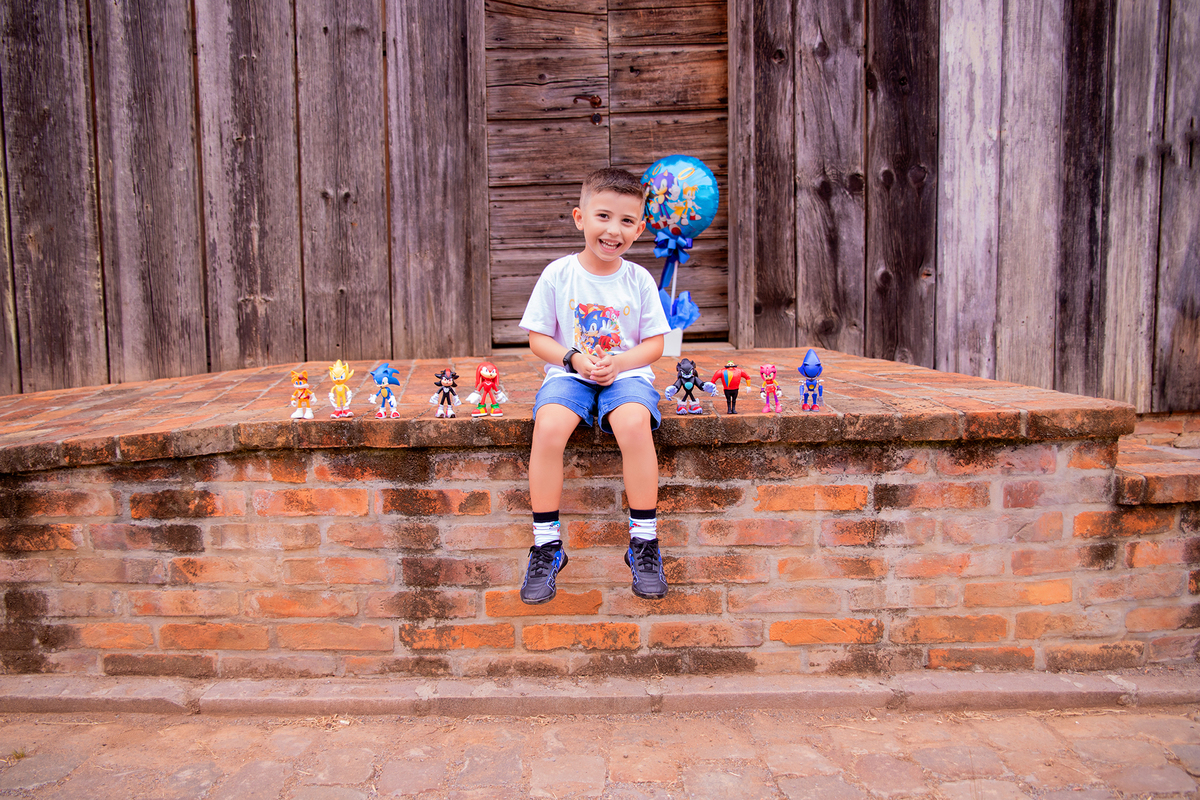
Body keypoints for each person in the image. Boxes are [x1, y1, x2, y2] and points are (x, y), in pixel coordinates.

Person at [518, 167, 671, 604]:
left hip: (627, 376)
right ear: (579, 217)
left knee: (633, 425)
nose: (613, 230)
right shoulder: (558, 274)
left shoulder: (638, 279)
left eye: (626, 221)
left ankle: (643, 542)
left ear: (640, 229)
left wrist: (621, 362)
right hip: (570, 373)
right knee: (548, 427)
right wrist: (573, 359)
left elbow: (656, 344)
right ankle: (547, 545)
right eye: (603, 216)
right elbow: (538, 338)